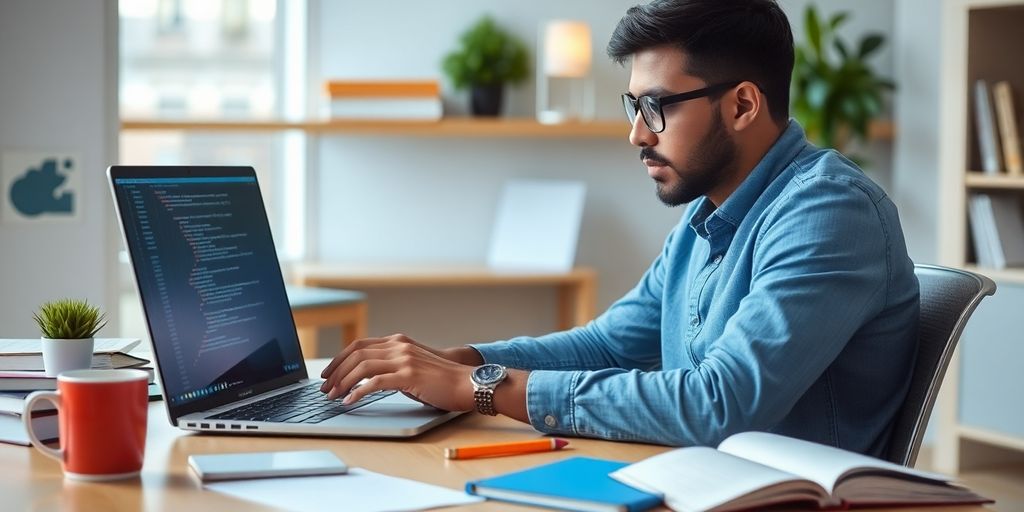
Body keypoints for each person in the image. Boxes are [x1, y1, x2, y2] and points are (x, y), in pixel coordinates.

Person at [320, 0, 919, 456]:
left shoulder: (828, 213)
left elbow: (722, 403)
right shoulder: (707, 215)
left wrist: (482, 386)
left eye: (656, 107)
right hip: (701, 480)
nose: (637, 134)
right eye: (633, 107)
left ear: (741, 105)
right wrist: (459, 360)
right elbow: (607, 344)